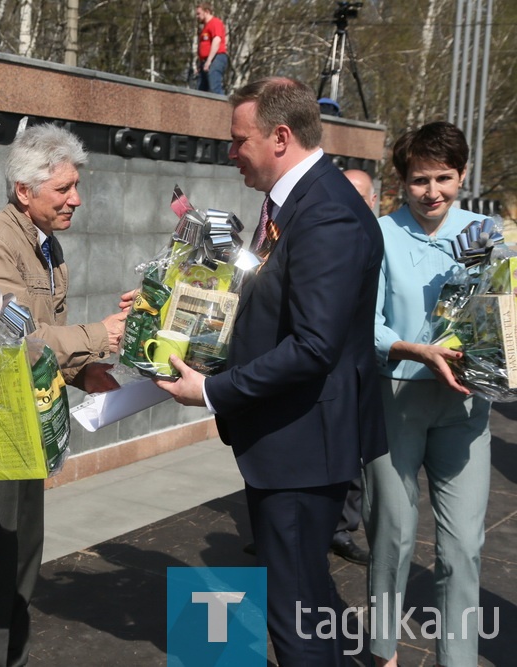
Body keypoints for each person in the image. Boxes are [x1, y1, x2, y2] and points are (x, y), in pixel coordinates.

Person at [155, 77, 386, 664]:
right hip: (288, 438)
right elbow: (272, 306)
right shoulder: (297, 203)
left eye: (239, 140)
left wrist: (211, 389)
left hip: (304, 445)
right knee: (304, 599)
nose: (230, 152)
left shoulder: (327, 213)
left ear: (280, 137)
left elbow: (312, 346)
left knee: (295, 616)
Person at [0, 123, 129, 667]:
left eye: (76, 186)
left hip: (28, 422)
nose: (76, 199)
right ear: (24, 191)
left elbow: (45, 338)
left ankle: (13, 657)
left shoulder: (46, 245)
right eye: (64, 189)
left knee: (23, 555)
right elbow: (14, 338)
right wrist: (100, 335)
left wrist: (85, 372)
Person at [365, 122, 491, 667]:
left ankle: (457, 659)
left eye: (444, 177)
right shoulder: (378, 234)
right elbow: (363, 323)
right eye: (420, 180)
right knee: (393, 532)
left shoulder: (486, 231)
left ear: (461, 175)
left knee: (464, 543)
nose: (433, 191)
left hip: (465, 403)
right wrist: (415, 351)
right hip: (398, 396)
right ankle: (384, 650)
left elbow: (499, 313)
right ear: (402, 182)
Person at [328, 167, 380, 568]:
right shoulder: (330, 234)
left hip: (360, 365)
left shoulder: (376, 239)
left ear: (374, 200)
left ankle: (341, 530)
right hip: (322, 363)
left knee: (350, 457)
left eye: (361, 196)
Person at [195, 3, 228, 95]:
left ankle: (221, 107)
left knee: (214, 87)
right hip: (205, 61)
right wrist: (201, 63)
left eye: (199, 14)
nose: (197, 17)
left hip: (216, 58)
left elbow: (217, 40)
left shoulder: (215, 22)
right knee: (200, 90)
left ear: (206, 12)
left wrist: (209, 61)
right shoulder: (205, 27)